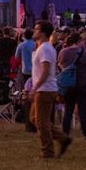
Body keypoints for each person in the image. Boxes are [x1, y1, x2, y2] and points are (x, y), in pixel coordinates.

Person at [29, 23, 65, 158]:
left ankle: (47, 152)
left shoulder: (45, 49)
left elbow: (45, 70)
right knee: (34, 118)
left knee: (41, 122)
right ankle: (62, 138)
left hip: (45, 89)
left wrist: (35, 87)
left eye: (37, 28)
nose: (34, 30)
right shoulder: (42, 47)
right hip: (44, 88)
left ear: (43, 33)